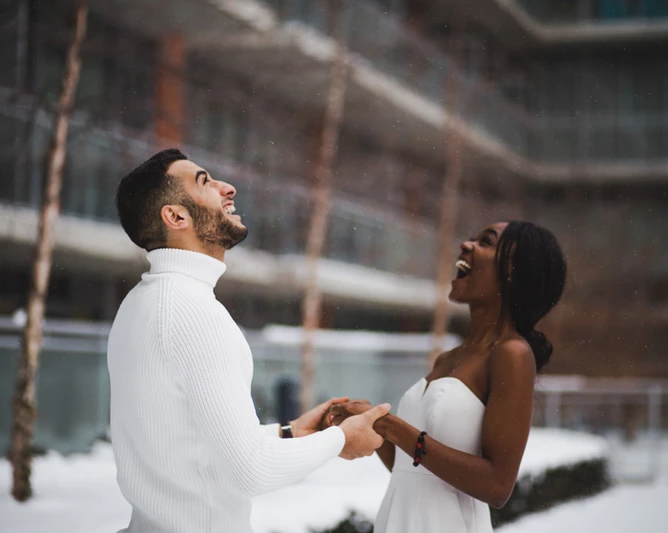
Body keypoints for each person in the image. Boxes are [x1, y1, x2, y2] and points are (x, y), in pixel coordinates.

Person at [108, 148, 390, 533]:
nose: (228, 188)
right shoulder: (193, 313)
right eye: (205, 182)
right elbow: (250, 471)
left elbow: (188, 444)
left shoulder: (141, 304)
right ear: (175, 216)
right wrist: (341, 440)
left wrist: (289, 433)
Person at [328, 221, 567, 532]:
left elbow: (497, 486)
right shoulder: (448, 357)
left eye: (486, 242)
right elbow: (413, 471)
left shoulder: (512, 354)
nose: (466, 245)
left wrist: (390, 425)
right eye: (472, 238)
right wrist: (370, 424)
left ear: (513, 270)